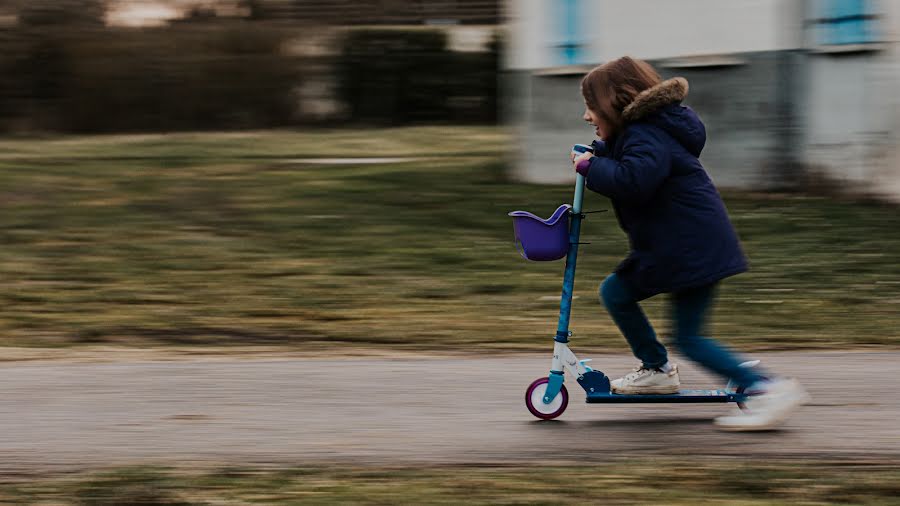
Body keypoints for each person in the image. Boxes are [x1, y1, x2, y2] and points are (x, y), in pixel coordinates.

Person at [571, 56, 808, 431]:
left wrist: (590, 168)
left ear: (616, 102)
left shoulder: (645, 133)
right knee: (616, 292)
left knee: (689, 336)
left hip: (687, 248)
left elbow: (635, 179)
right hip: (673, 246)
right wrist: (600, 155)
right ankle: (657, 370)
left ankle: (769, 389)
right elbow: (636, 164)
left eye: (590, 107)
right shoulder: (644, 132)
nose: (586, 116)